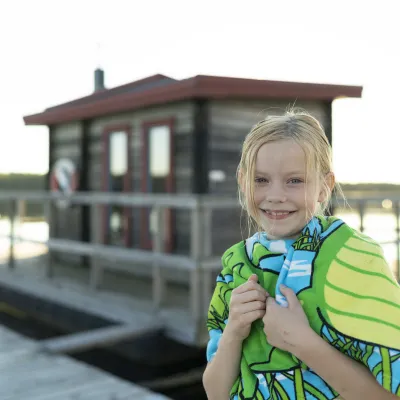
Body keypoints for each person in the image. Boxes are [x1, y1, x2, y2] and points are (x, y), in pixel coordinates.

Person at [202, 111, 400, 400]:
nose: (276, 195)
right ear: (242, 182)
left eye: (294, 181)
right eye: (261, 180)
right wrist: (233, 330)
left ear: (324, 187)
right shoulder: (237, 264)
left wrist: (303, 343)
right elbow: (215, 393)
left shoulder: (354, 257)